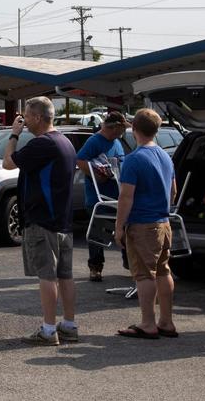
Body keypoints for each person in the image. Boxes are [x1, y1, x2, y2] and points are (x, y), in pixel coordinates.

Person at [2, 96, 78, 346]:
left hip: (42, 219)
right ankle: (68, 324)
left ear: (36, 117)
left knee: (47, 275)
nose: (23, 121)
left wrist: (14, 135)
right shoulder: (65, 141)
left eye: (26, 116)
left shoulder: (42, 143)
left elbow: (8, 162)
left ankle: (48, 329)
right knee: (65, 275)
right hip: (63, 219)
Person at [113, 109, 178, 340]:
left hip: (142, 223)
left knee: (143, 274)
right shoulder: (165, 155)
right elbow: (173, 191)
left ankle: (148, 323)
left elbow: (126, 197)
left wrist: (119, 226)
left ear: (134, 129)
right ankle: (166, 321)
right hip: (163, 221)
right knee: (163, 270)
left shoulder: (133, 159)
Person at [75, 111, 127, 281]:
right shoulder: (94, 141)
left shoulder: (116, 142)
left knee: (125, 229)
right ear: (113, 128)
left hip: (117, 196)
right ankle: (95, 268)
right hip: (98, 198)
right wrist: (97, 176)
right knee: (97, 233)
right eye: (121, 129)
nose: (122, 132)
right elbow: (80, 160)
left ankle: (130, 263)